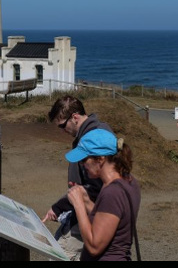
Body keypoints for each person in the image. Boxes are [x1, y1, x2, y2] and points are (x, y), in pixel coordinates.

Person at [42, 96, 114, 259]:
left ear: (74, 117)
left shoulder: (91, 138)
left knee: (59, 254)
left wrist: (59, 207)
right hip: (84, 212)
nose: (62, 131)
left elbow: (94, 187)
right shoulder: (100, 129)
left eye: (62, 126)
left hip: (90, 215)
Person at [65, 129, 141, 261]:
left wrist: (78, 205)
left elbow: (95, 246)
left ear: (100, 159)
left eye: (84, 160)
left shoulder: (112, 193)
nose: (82, 165)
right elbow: (109, 218)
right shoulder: (129, 181)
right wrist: (87, 202)